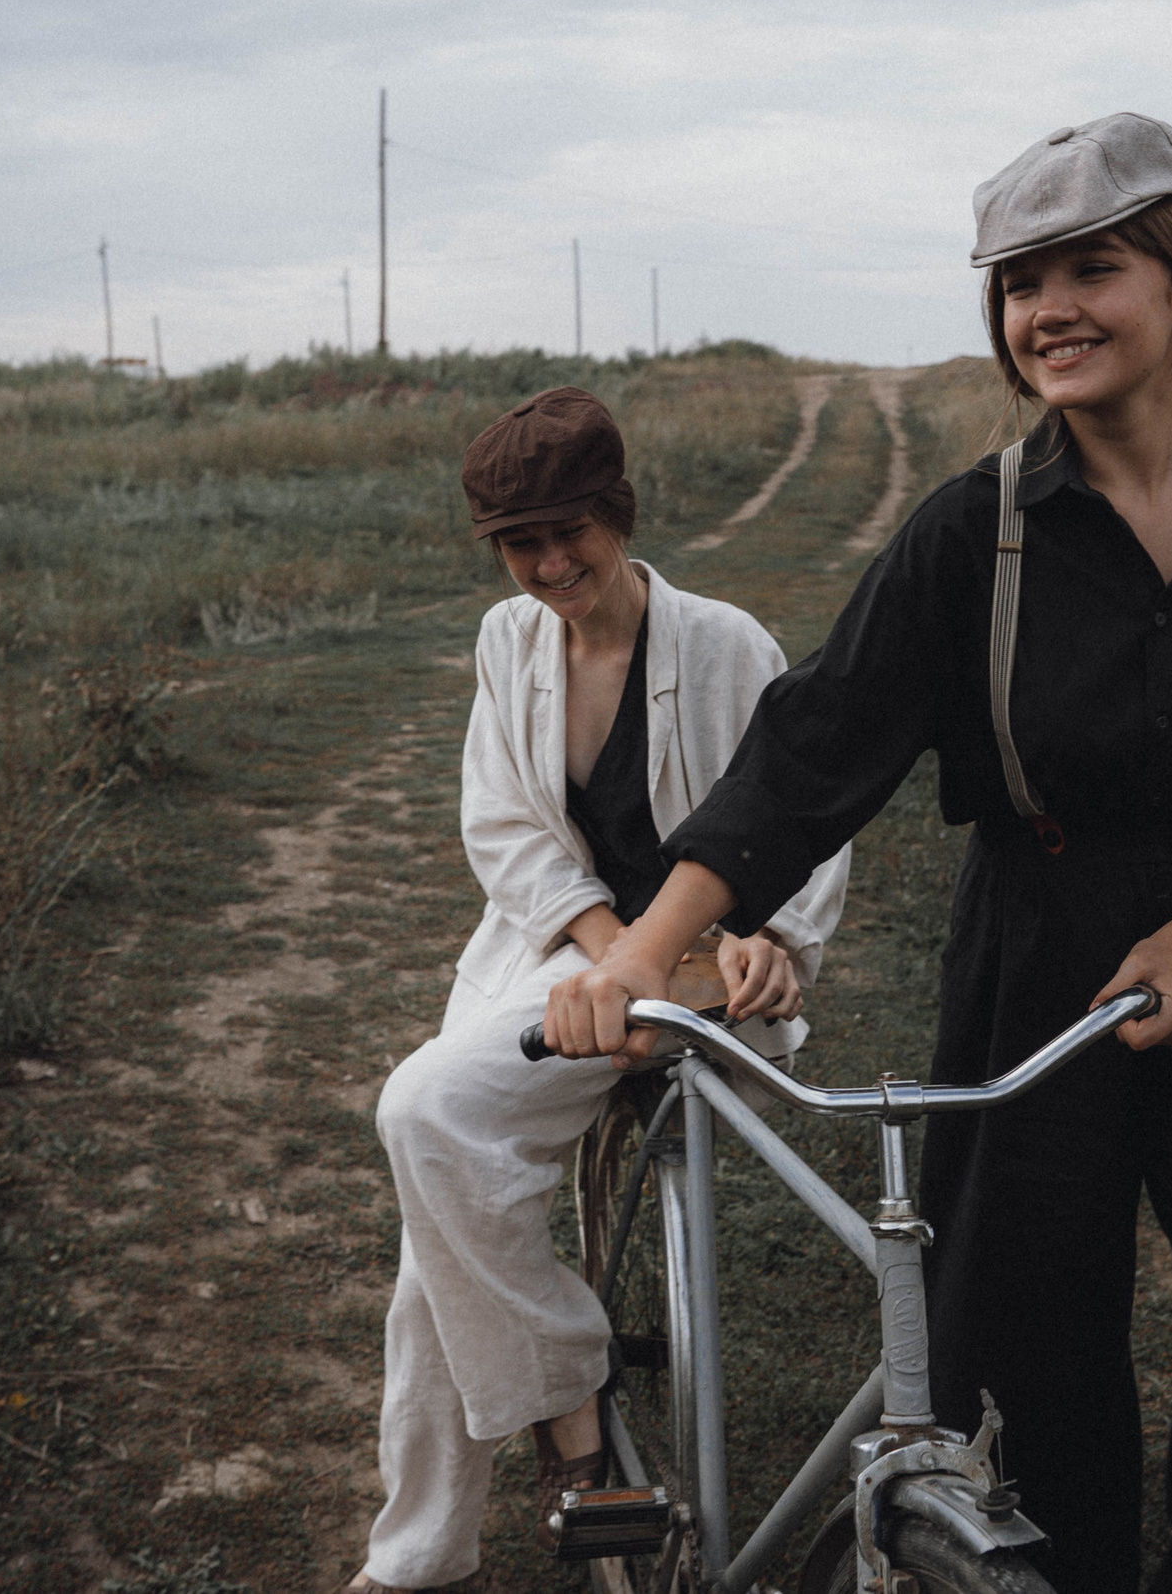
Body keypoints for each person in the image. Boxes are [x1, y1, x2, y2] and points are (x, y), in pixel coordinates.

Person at [545, 116, 1172, 1593]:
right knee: (1043, 1373)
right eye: (1018, 283)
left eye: (1090, 267)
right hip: (1037, 965)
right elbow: (807, 757)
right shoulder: (974, 538)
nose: (1048, 309)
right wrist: (636, 957)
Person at [351, 387, 850, 1594]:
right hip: (567, 955)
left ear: (617, 512)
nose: (549, 565)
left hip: (706, 972)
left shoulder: (725, 645)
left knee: (426, 1126)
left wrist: (770, 937)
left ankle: (444, 1531)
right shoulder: (508, 640)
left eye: (568, 531)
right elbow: (506, 829)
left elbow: (800, 813)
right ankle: (505, 1466)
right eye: (519, 543)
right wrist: (613, 949)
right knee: (438, 1209)